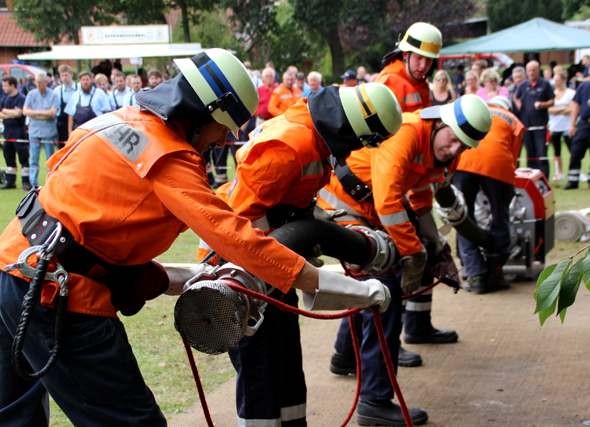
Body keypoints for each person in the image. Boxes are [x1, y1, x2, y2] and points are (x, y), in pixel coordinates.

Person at [0, 49, 391, 427]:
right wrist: (352, 290)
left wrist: (176, 277)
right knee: (132, 421)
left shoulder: (120, 121)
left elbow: (88, 224)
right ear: (204, 112)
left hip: (14, 266)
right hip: (53, 294)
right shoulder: (168, 157)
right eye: (225, 127)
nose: (223, 141)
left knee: (14, 413)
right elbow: (235, 236)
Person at [197, 82, 403, 427]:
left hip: (271, 265)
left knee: (288, 362)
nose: (357, 150)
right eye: (363, 140)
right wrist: (287, 263)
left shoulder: (315, 136)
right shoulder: (289, 144)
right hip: (239, 270)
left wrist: (300, 247)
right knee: (261, 367)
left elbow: (290, 205)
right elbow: (242, 224)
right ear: (352, 127)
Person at [318, 95, 492, 426]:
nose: (454, 150)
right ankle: (374, 401)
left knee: (371, 283)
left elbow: (422, 193)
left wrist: (433, 243)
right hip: (342, 207)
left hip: (367, 210)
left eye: (463, 146)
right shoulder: (408, 132)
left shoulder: (443, 150)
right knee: (384, 289)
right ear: (439, 122)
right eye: (453, 139)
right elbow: (387, 202)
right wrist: (414, 253)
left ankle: (345, 356)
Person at [374, 22, 457, 367]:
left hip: (407, 178)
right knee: (390, 266)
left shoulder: (421, 86)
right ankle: (385, 343)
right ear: (405, 53)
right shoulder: (388, 82)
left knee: (426, 248)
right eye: (418, 57)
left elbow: (425, 148)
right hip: (382, 179)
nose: (423, 65)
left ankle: (418, 325)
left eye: (429, 60)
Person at [453, 96, 523, 294]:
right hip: (498, 166)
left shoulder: (479, 112)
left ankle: (475, 276)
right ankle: (495, 274)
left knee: (464, 219)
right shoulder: (514, 120)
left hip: (464, 162)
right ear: (508, 107)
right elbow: (514, 155)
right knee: (500, 217)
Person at [514, 60, 555, 178]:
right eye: (529, 70)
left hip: (540, 125)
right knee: (530, 153)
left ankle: (543, 177)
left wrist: (542, 104)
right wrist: (519, 104)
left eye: (533, 70)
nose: (531, 73)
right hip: (526, 125)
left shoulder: (545, 84)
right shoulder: (523, 85)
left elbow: (552, 101)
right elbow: (515, 96)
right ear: (526, 72)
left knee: (541, 152)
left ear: (538, 71)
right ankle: (531, 177)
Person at [22, 71, 60, 187]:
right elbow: (25, 111)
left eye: (40, 82)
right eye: (36, 82)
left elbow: (52, 113)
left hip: (48, 131)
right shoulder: (31, 94)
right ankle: (33, 183)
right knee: (33, 157)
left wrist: (33, 114)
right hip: (34, 130)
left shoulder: (53, 95)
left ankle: (49, 181)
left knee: (50, 157)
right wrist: (42, 113)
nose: (38, 84)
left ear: (46, 82)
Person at [0, 75, 30, 190]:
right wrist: (10, 113)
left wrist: (5, 112)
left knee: (23, 155)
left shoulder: (21, 98)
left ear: (12, 85)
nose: (3, 88)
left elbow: (18, 113)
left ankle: (26, 182)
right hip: (7, 131)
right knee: (8, 156)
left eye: (5, 85)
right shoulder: (5, 99)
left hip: (19, 131)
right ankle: (10, 181)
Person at [548, 70, 575, 182]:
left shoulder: (570, 93)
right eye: (555, 80)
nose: (556, 82)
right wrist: (563, 108)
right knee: (557, 151)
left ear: (564, 80)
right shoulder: (552, 93)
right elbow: (549, 110)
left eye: (558, 80)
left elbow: (571, 109)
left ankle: (576, 171)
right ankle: (559, 172)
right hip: (555, 126)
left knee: (573, 150)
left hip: (567, 126)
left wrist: (556, 110)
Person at [65, 71, 111, 136]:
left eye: (87, 80)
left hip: (96, 132)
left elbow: (107, 112)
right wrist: (70, 133)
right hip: (79, 133)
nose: (85, 82)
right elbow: (70, 115)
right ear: (80, 81)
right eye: (83, 80)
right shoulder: (75, 95)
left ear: (91, 80)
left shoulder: (100, 93)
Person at [564, 79, 590, 189]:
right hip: (584, 124)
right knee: (575, 151)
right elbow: (575, 106)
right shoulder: (583, 87)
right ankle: (572, 181)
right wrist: (572, 125)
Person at [55, 65, 78, 148]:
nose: (64, 78)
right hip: (62, 124)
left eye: (66, 75)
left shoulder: (79, 88)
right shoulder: (57, 91)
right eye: (62, 75)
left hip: (76, 121)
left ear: (71, 75)